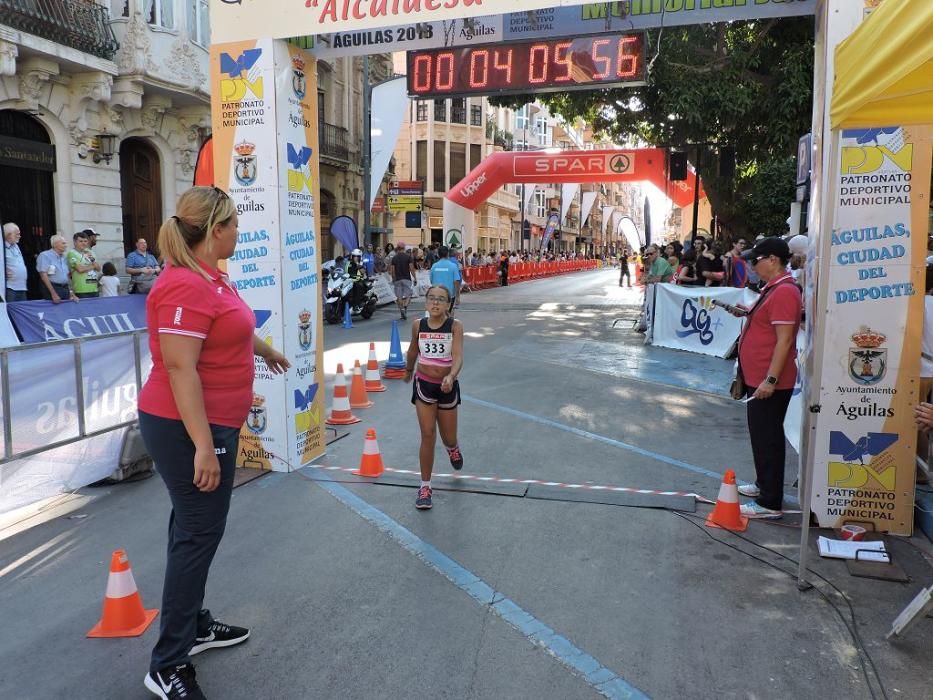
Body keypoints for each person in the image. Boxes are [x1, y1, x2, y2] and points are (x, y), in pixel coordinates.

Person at [138, 186, 289, 699]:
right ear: (215, 230)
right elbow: (180, 368)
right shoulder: (183, 285)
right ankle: (167, 663)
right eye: (235, 225)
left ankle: (193, 626)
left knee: (191, 529)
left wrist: (264, 349)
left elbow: (229, 329)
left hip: (210, 425)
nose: (239, 233)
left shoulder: (212, 278)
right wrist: (204, 445)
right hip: (185, 427)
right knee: (198, 534)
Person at [730, 237, 802, 519]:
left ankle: (770, 501)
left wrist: (770, 380)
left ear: (772, 259)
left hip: (769, 381)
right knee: (761, 436)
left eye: (755, 260)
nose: (752, 266)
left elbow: (784, 341)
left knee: (768, 437)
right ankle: (764, 484)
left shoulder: (784, 291)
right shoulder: (773, 288)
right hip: (758, 376)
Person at [403, 284, 464, 510]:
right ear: (426, 302)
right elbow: (412, 350)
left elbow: (457, 356)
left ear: (449, 304)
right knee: (427, 435)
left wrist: (451, 375)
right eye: (432, 298)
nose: (436, 303)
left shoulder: (455, 327)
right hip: (424, 386)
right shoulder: (418, 325)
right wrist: (409, 369)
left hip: (447, 387)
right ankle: (425, 486)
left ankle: (452, 448)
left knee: (448, 437)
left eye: (441, 299)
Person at [36, 234, 77, 303]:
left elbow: (67, 277)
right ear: (55, 244)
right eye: (63, 243)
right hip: (53, 288)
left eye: (65, 243)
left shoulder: (64, 258)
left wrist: (71, 293)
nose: (66, 245)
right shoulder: (45, 255)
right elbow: (43, 276)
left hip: (65, 289)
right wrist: (53, 293)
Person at [429, 245, 461, 316]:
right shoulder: (453, 266)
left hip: (436, 295)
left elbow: (431, 280)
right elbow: (456, 281)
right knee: (449, 313)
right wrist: (457, 296)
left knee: (437, 314)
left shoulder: (434, 266)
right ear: (447, 254)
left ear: (438, 254)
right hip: (449, 294)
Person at [67, 231, 101, 298]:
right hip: (81, 290)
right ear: (75, 242)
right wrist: (93, 265)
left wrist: (92, 262)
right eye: (81, 241)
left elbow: (99, 268)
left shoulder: (90, 252)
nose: (83, 243)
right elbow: (80, 269)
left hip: (94, 288)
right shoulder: (72, 253)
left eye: (85, 241)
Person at [4, 222, 28, 301]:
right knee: (10, 311)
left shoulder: (16, 246)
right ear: (8, 235)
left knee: (21, 311)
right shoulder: (1, 248)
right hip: (10, 288)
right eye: (17, 234)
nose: (19, 236)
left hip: (22, 287)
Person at [390, 243, 414, 320]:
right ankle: (405, 306)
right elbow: (411, 268)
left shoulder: (394, 258)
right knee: (408, 295)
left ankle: (402, 310)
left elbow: (392, 270)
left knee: (399, 297)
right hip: (406, 278)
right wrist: (415, 277)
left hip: (397, 279)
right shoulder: (408, 257)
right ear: (404, 248)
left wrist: (393, 279)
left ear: (397, 248)